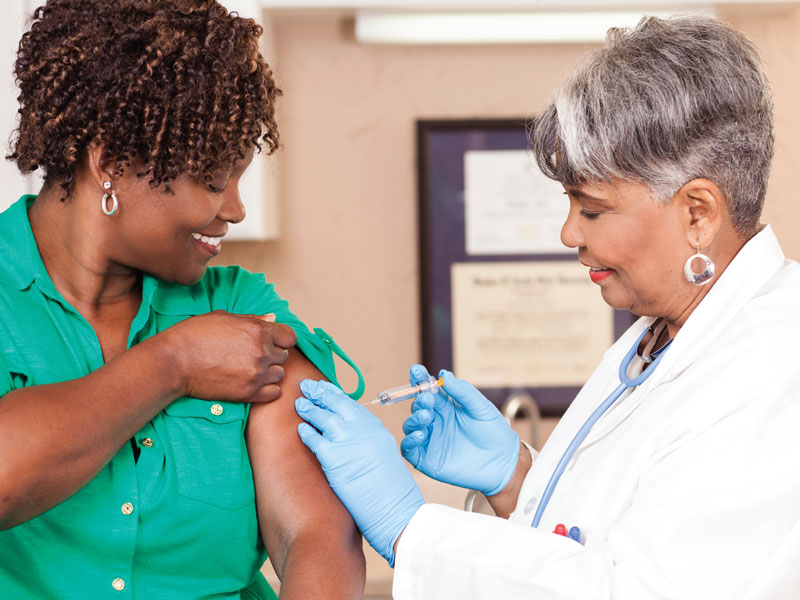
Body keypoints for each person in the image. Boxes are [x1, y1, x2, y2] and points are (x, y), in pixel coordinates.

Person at [295, 15, 800, 599]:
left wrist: (409, 529)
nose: (567, 234)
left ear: (697, 214)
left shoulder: (770, 370)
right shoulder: (665, 334)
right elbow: (608, 533)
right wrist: (517, 477)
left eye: (591, 209)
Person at [0, 1, 366, 598]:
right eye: (215, 179)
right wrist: (173, 364)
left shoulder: (242, 304)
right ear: (111, 164)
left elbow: (316, 534)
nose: (235, 210)